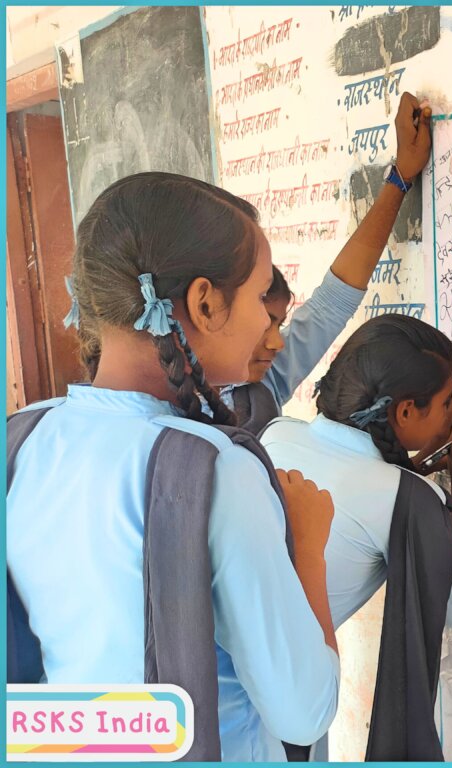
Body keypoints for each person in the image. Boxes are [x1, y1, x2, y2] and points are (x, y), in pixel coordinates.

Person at [7, 172, 340, 761]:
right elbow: (304, 710)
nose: (268, 327)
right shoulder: (215, 473)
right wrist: (309, 550)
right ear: (205, 304)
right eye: (261, 297)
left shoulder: (23, 438)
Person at [261, 313, 452, 633]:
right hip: (281, 664)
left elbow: (362, 491)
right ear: (406, 411)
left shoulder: (277, 433)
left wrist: (417, 463)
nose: (448, 415)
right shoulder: (406, 498)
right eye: (444, 404)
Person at [221, 92, 433, 433]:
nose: (278, 343)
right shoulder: (172, 429)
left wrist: (401, 178)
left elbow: (332, 301)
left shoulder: (258, 383)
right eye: (264, 326)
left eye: (278, 325)